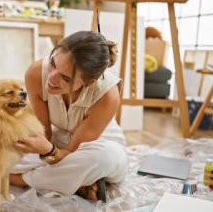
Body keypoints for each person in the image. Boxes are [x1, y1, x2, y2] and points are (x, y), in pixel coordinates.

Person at [10, 31, 128, 202]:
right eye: (53, 63)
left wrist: (47, 151)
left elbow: (70, 153)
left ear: (89, 82)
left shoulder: (107, 95)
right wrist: (36, 146)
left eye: (65, 78)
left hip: (96, 146)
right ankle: (78, 182)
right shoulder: (36, 73)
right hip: (59, 140)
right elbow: (44, 135)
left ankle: (18, 180)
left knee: (102, 158)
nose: (51, 78)